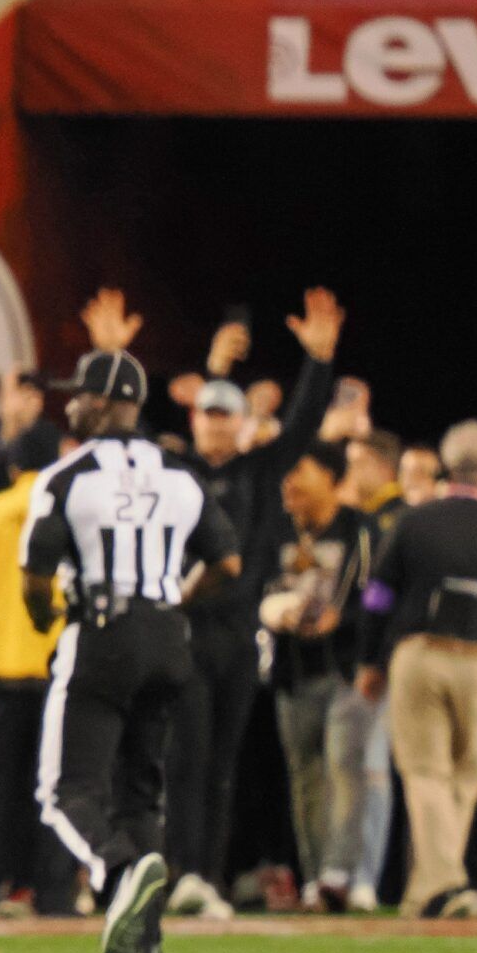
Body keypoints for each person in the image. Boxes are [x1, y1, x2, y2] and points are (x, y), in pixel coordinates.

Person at [20, 350, 240, 953]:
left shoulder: (67, 476)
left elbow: (36, 576)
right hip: (169, 635)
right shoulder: (181, 473)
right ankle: (145, 951)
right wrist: (174, 600)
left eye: (80, 395)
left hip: (102, 631)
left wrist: (42, 619)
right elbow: (227, 564)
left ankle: (116, 872)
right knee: (142, 792)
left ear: (106, 400)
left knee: (65, 793)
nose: (71, 405)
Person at [167, 293, 343, 917]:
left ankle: (206, 878)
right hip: (184, 630)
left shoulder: (259, 472)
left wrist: (319, 363)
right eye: (207, 413)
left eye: (225, 415)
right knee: (184, 758)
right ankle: (180, 873)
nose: (214, 423)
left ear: (238, 424)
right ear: (194, 419)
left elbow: (300, 426)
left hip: (239, 637)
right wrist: (214, 365)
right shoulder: (173, 468)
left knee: (222, 763)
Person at [356, 421, 477, 917]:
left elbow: (377, 596)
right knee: (466, 778)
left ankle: (438, 884)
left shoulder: (416, 521)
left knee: (425, 773)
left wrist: (369, 660)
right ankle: (437, 886)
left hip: (422, 654)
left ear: (446, 462)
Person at [0, 424, 74, 916]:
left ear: (12, 466)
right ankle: (56, 894)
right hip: (52, 666)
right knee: (54, 786)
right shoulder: (64, 512)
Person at [259, 442, 376, 911]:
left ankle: (338, 873)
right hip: (292, 672)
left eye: (299, 472)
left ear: (330, 477)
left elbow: (379, 593)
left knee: (343, 770)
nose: (290, 484)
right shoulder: (276, 531)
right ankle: (314, 879)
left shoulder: (358, 529)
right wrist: (275, 612)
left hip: (343, 669)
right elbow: (260, 587)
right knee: (305, 778)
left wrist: (342, 623)